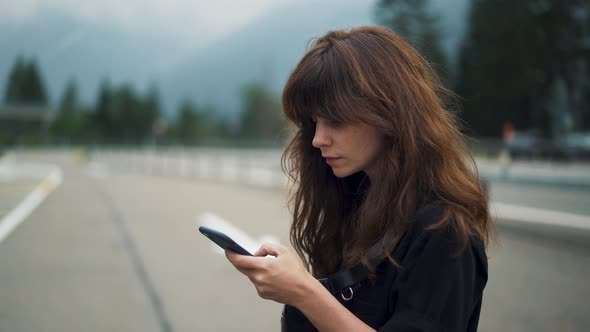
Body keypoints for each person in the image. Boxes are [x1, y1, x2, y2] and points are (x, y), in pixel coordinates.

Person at [225, 25, 493, 332]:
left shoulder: (443, 231)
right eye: (314, 122)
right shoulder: (354, 200)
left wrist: (303, 292)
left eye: (336, 120)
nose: (318, 139)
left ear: (390, 113)